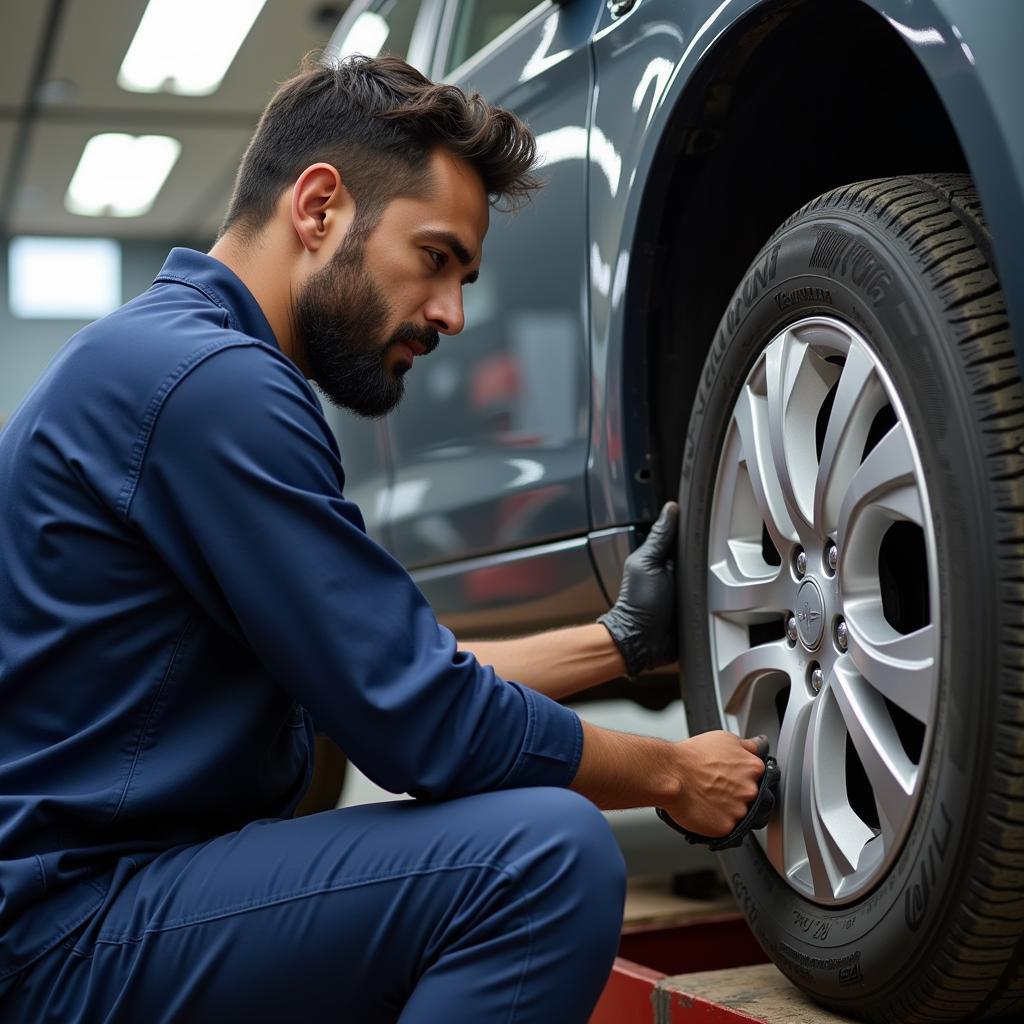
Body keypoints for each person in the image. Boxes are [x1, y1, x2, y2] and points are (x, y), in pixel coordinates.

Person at [0, 55, 766, 1022]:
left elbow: (391, 680)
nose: (451, 313)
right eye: (435, 257)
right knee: (539, 859)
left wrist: (615, 643)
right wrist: (670, 770)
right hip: (67, 935)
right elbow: (419, 723)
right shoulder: (210, 385)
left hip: (82, 907)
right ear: (318, 209)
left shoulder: (162, 355)